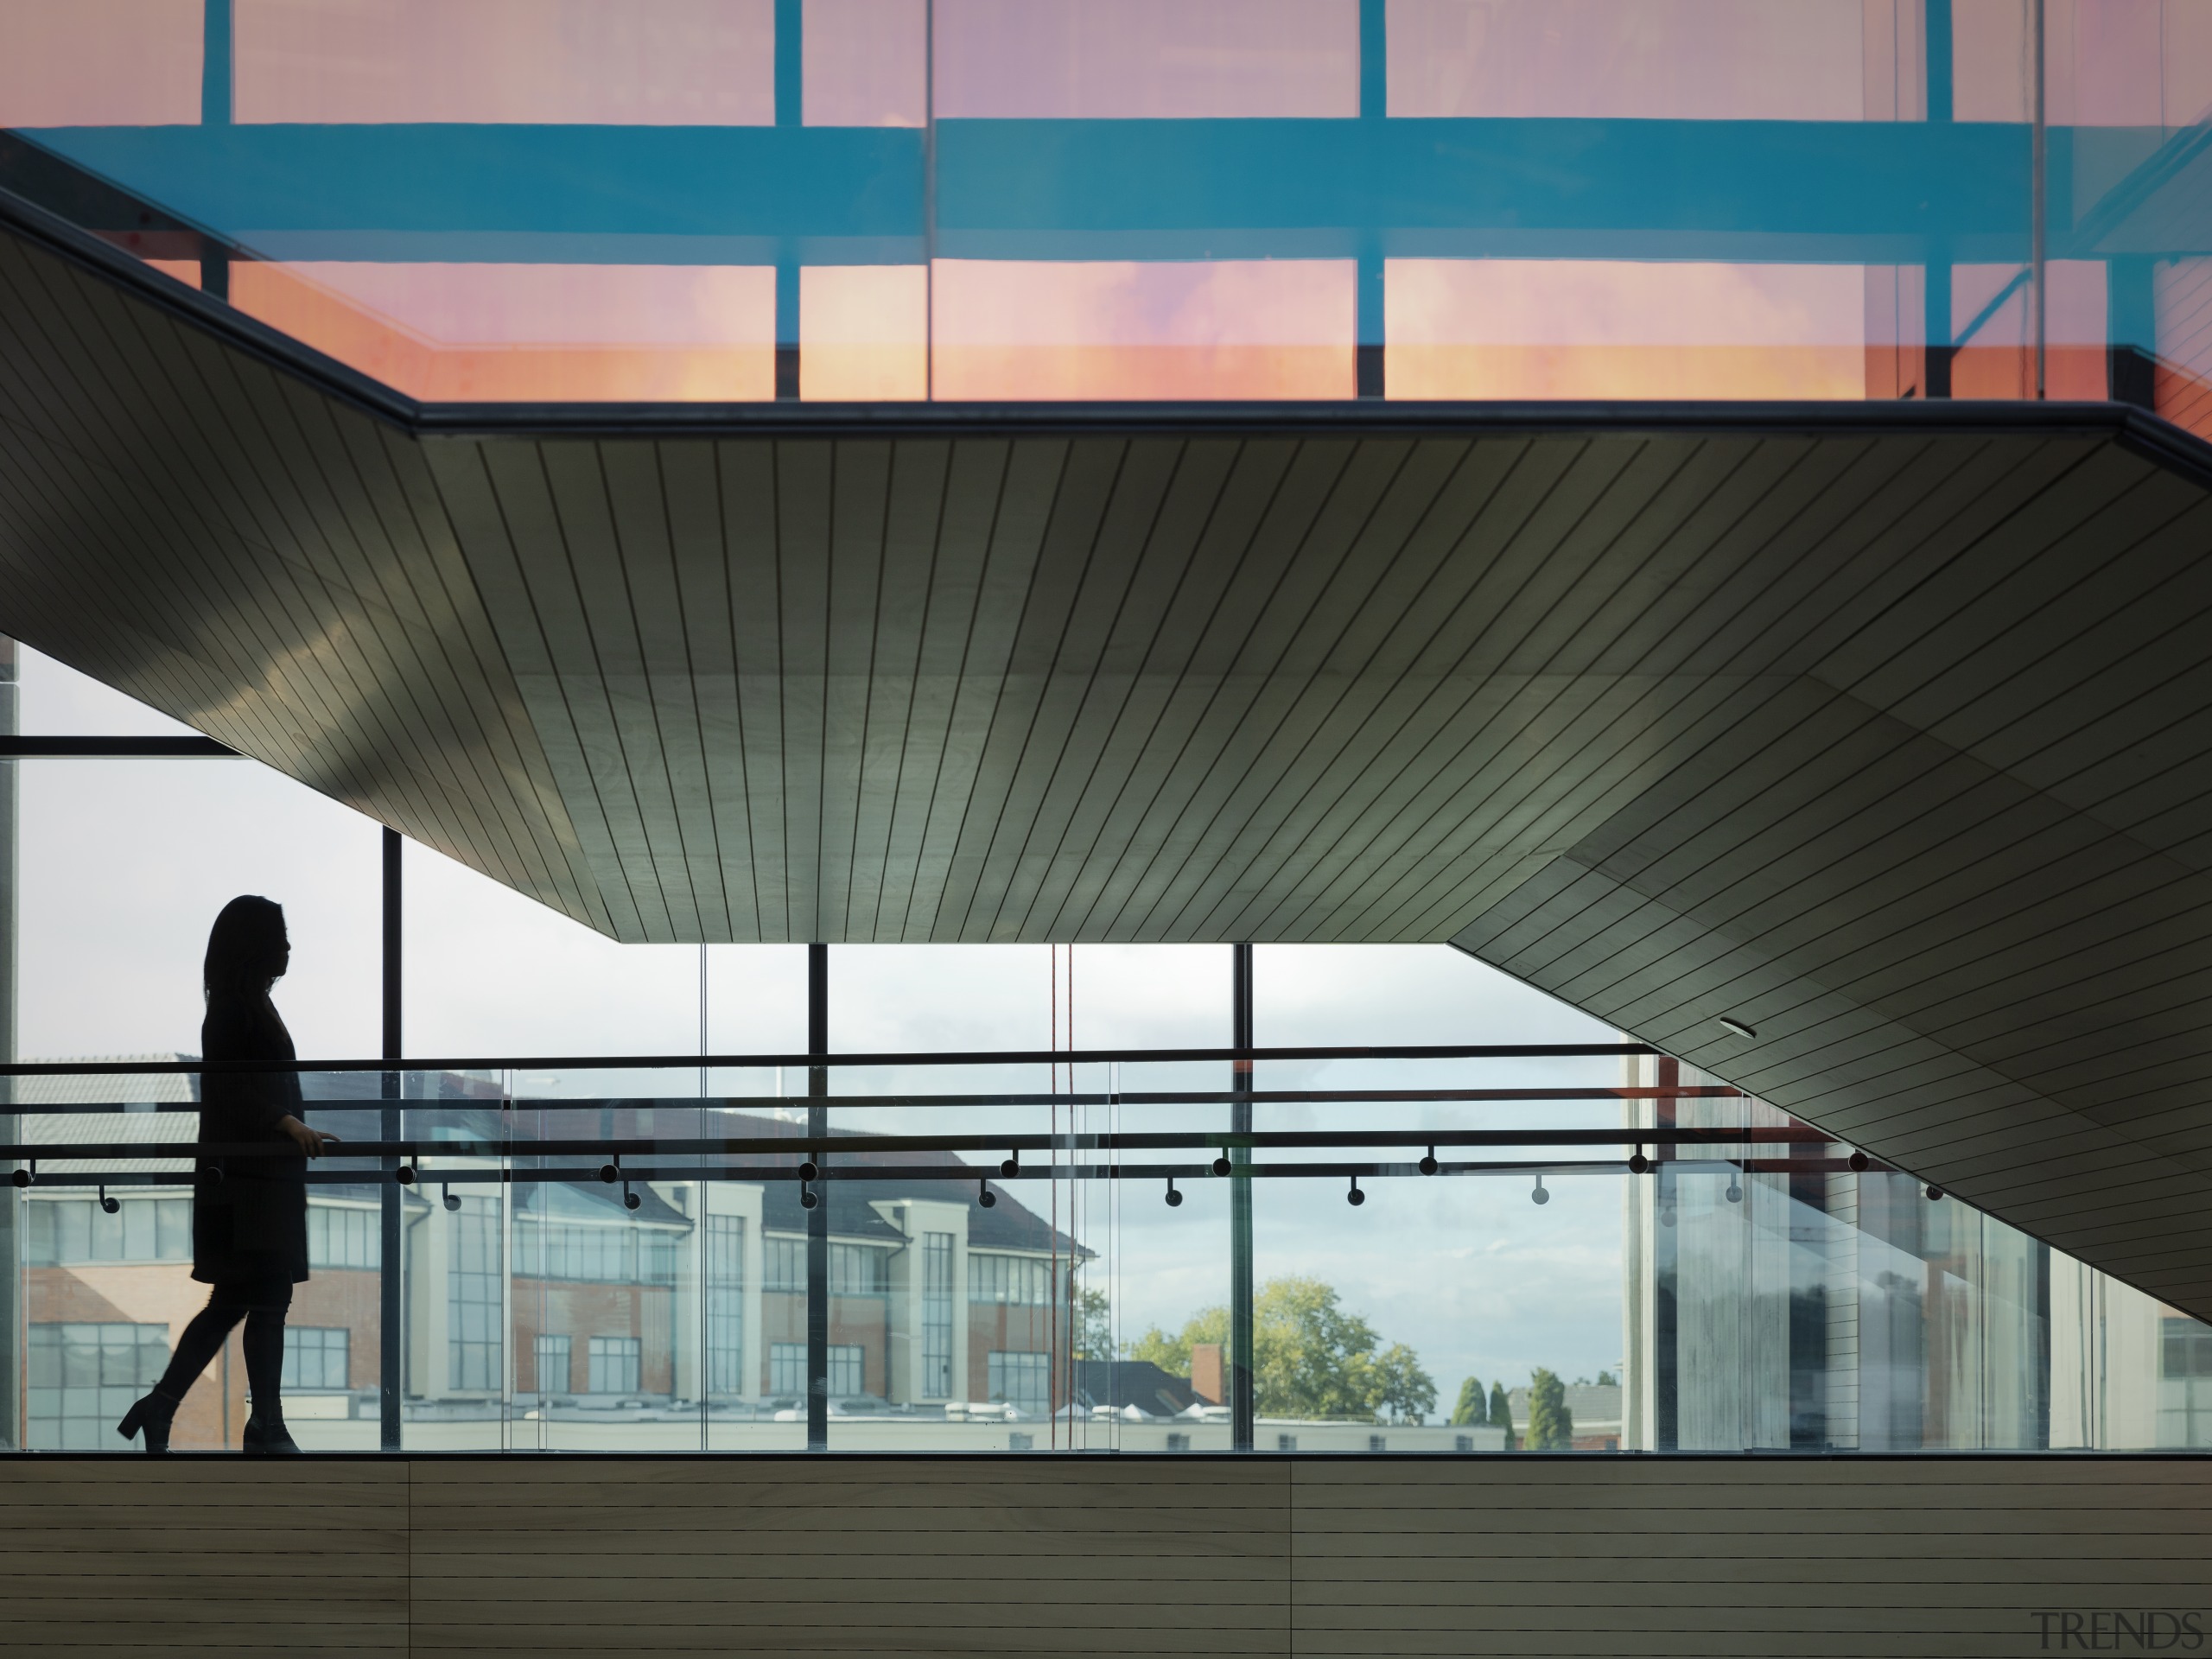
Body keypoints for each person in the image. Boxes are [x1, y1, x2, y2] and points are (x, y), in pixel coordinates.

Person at [118, 896, 336, 1454]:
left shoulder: (246, 1005)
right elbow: (233, 1089)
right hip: (250, 1185)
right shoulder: (234, 1011)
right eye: (279, 937)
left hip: (254, 1180)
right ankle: (265, 1426)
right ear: (254, 947)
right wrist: (286, 1122)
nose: (289, 948)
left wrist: (289, 1127)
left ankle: (166, 1407)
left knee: (240, 1301)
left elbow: (241, 1089)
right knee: (264, 1301)